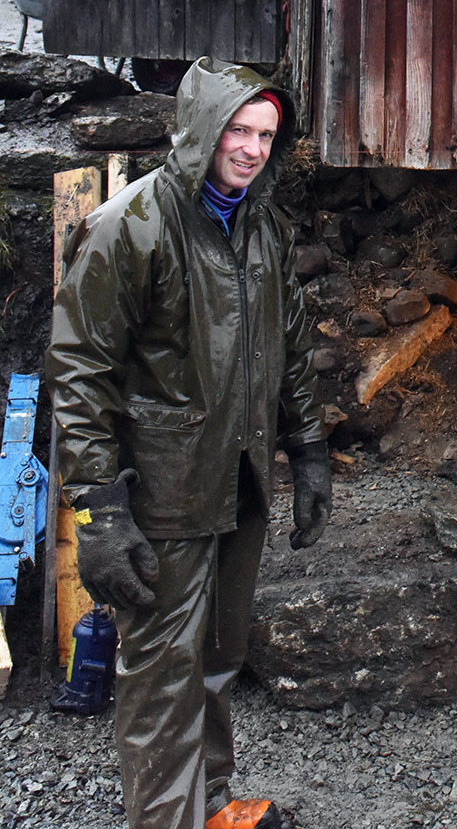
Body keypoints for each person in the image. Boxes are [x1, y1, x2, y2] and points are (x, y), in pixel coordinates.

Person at [47, 60, 330, 829]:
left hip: (239, 474)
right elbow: (79, 373)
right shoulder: (129, 225)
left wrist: (307, 448)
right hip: (162, 487)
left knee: (216, 653)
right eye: (238, 130)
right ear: (202, 128)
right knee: (160, 669)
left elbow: (291, 344)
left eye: (265, 134)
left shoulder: (263, 224)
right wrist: (101, 508)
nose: (250, 149)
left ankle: (207, 802)